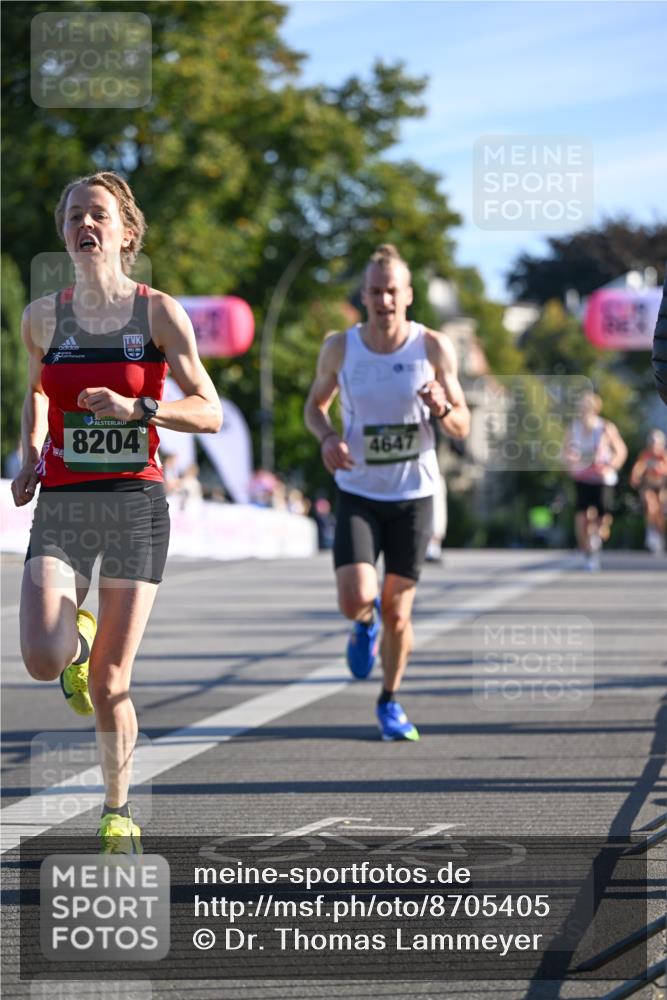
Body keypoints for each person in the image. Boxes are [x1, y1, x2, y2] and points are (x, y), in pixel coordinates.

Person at [11, 171, 222, 852]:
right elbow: (40, 391)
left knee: (109, 679)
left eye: (97, 213)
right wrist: (29, 448)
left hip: (133, 501)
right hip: (66, 500)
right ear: (65, 233)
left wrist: (142, 408)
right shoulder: (43, 315)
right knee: (45, 658)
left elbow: (210, 411)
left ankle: (117, 810)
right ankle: (71, 634)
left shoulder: (158, 314)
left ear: (126, 232)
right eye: (74, 214)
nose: (84, 223)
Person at [304, 244, 470, 741]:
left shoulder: (434, 348)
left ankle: (389, 700)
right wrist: (328, 437)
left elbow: (461, 425)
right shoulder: (340, 347)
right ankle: (362, 623)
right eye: (375, 291)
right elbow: (314, 407)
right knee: (356, 596)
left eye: (392, 291)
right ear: (365, 295)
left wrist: (442, 408)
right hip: (357, 488)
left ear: (408, 295)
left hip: (413, 494)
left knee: (400, 610)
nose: (384, 300)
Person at [564, 391, 627, 570]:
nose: (585, 411)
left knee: (602, 518)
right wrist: (570, 460)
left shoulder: (605, 427)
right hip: (582, 476)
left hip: (602, 478)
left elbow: (621, 451)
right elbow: (565, 451)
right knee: (582, 518)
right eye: (582, 407)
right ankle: (588, 551)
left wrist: (611, 466)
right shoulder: (573, 428)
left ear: (595, 408)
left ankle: (596, 538)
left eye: (588, 407)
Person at [630, 429, 667, 554]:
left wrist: (660, 469)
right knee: (651, 507)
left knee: (661, 510)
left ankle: (660, 534)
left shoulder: (664, 456)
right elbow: (639, 467)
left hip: (661, 486)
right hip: (649, 485)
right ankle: (651, 532)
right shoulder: (646, 455)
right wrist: (635, 476)